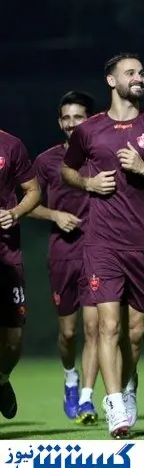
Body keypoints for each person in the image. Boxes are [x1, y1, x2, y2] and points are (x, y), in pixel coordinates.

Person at [61, 52, 144, 438]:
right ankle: (114, 404)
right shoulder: (90, 130)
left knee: (136, 330)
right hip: (102, 243)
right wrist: (88, 183)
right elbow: (67, 169)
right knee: (109, 325)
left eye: (140, 73)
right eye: (130, 73)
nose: (138, 78)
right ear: (111, 81)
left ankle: (125, 384)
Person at [30, 91, 100, 423]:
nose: (72, 124)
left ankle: (87, 397)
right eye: (66, 118)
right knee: (69, 333)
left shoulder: (102, 156)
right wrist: (54, 215)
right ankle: (70, 376)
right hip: (62, 253)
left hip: (99, 252)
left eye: (78, 117)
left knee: (95, 327)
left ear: (91, 120)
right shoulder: (46, 161)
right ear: (60, 122)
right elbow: (26, 205)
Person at [0, 130, 41, 420]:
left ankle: (2, 380)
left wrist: (15, 213)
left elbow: (34, 191)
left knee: (13, 339)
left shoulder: (11, 145)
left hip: (7, 255)